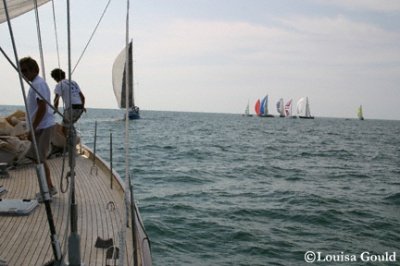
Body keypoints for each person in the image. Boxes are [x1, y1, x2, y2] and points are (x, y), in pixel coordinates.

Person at [19, 57, 57, 198]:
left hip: (43, 127)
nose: (23, 74)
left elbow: (42, 107)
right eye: (21, 71)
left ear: (35, 70)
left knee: (40, 159)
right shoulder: (35, 83)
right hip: (40, 127)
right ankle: (47, 188)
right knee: (36, 158)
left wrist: (33, 128)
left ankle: (48, 190)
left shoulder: (39, 84)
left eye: (25, 71)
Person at [51, 68, 86, 135]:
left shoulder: (59, 84)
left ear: (55, 78)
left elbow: (56, 98)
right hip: (79, 107)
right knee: (69, 125)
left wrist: (55, 108)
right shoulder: (74, 83)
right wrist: (83, 107)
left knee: (64, 128)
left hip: (71, 108)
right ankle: (71, 140)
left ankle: (66, 143)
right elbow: (82, 97)